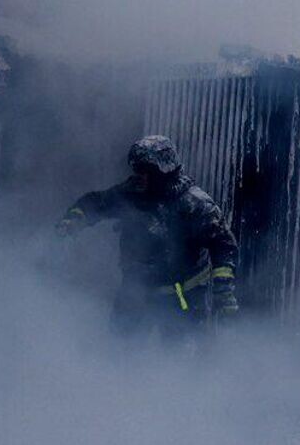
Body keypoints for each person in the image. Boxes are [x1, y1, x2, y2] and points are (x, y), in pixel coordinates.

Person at [55, 135, 238, 337]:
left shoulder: (194, 203)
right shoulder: (132, 194)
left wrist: (223, 289)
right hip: (135, 295)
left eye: (146, 170)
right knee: (120, 353)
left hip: (182, 299)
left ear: (164, 169)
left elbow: (222, 243)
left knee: (179, 359)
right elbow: (97, 202)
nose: (139, 175)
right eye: (137, 169)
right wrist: (72, 221)